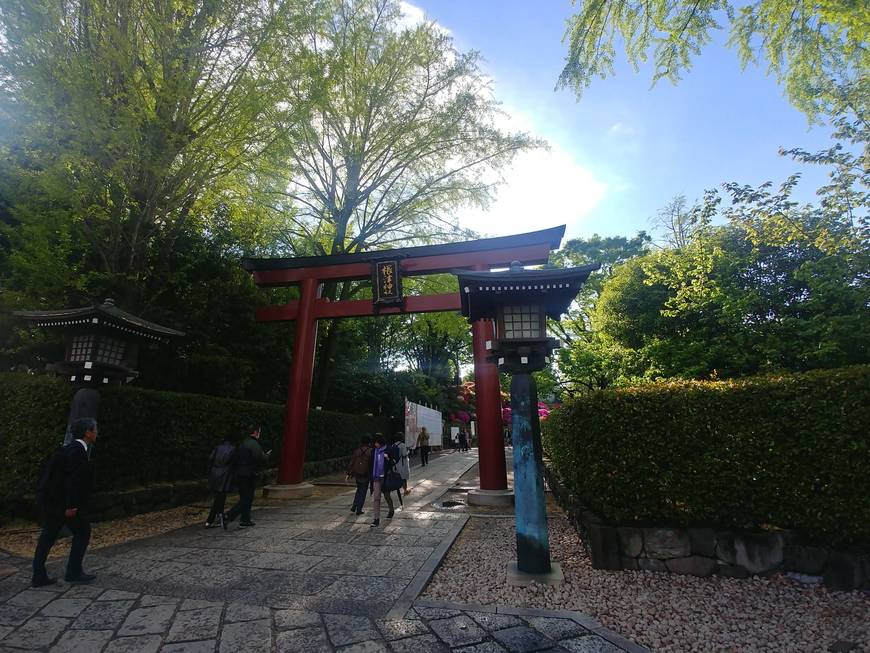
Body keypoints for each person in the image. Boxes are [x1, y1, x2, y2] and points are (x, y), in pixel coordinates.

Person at [32, 418, 98, 586]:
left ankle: (39, 575)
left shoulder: (68, 449)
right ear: (87, 432)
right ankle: (73, 572)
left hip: (51, 500)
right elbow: (73, 481)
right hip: (60, 503)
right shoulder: (77, 451)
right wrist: (71, 505)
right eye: (94, 430)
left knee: (49, 535)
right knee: (82, 531)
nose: (96, 433)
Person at [225, 424, 267, 528]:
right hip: (249, 473)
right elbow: (259, 458)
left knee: (244, 496)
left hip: (239, 473)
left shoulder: (241, 443)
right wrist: (266, 456)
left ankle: (245, 519)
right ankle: (229, 515)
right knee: (247, 498)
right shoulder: (254, 444)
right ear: (256, 433)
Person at [205, 434, 237, 529]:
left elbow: (210, 459)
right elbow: (233, 464)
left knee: (218, 497)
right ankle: (218, 517)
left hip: (214, 472)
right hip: (225, 473)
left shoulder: (217, 447)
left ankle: (213, 519)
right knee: (221, 497)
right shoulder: (233, 449)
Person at [369, 434, 394, 528]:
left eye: (377, 443)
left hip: (385, 476)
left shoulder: (388, 449)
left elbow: (393, 462)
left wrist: (388, 458)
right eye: (374, 443)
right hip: (376, 477)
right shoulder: (373, 451)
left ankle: (391, 509)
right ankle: (376, 519)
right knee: (376, 498)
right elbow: (371, 464)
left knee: (387, 495)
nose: (376, 445)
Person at [346, 435, 373, 515]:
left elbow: (352, 462)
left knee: (359, 489)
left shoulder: (357, 451)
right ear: (369, 442)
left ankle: (354, 505)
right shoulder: (370, 451)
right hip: (366, 473)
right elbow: (372, 464)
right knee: (363, 491)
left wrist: (349, 472)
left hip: (357, 473)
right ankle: (359, 509)